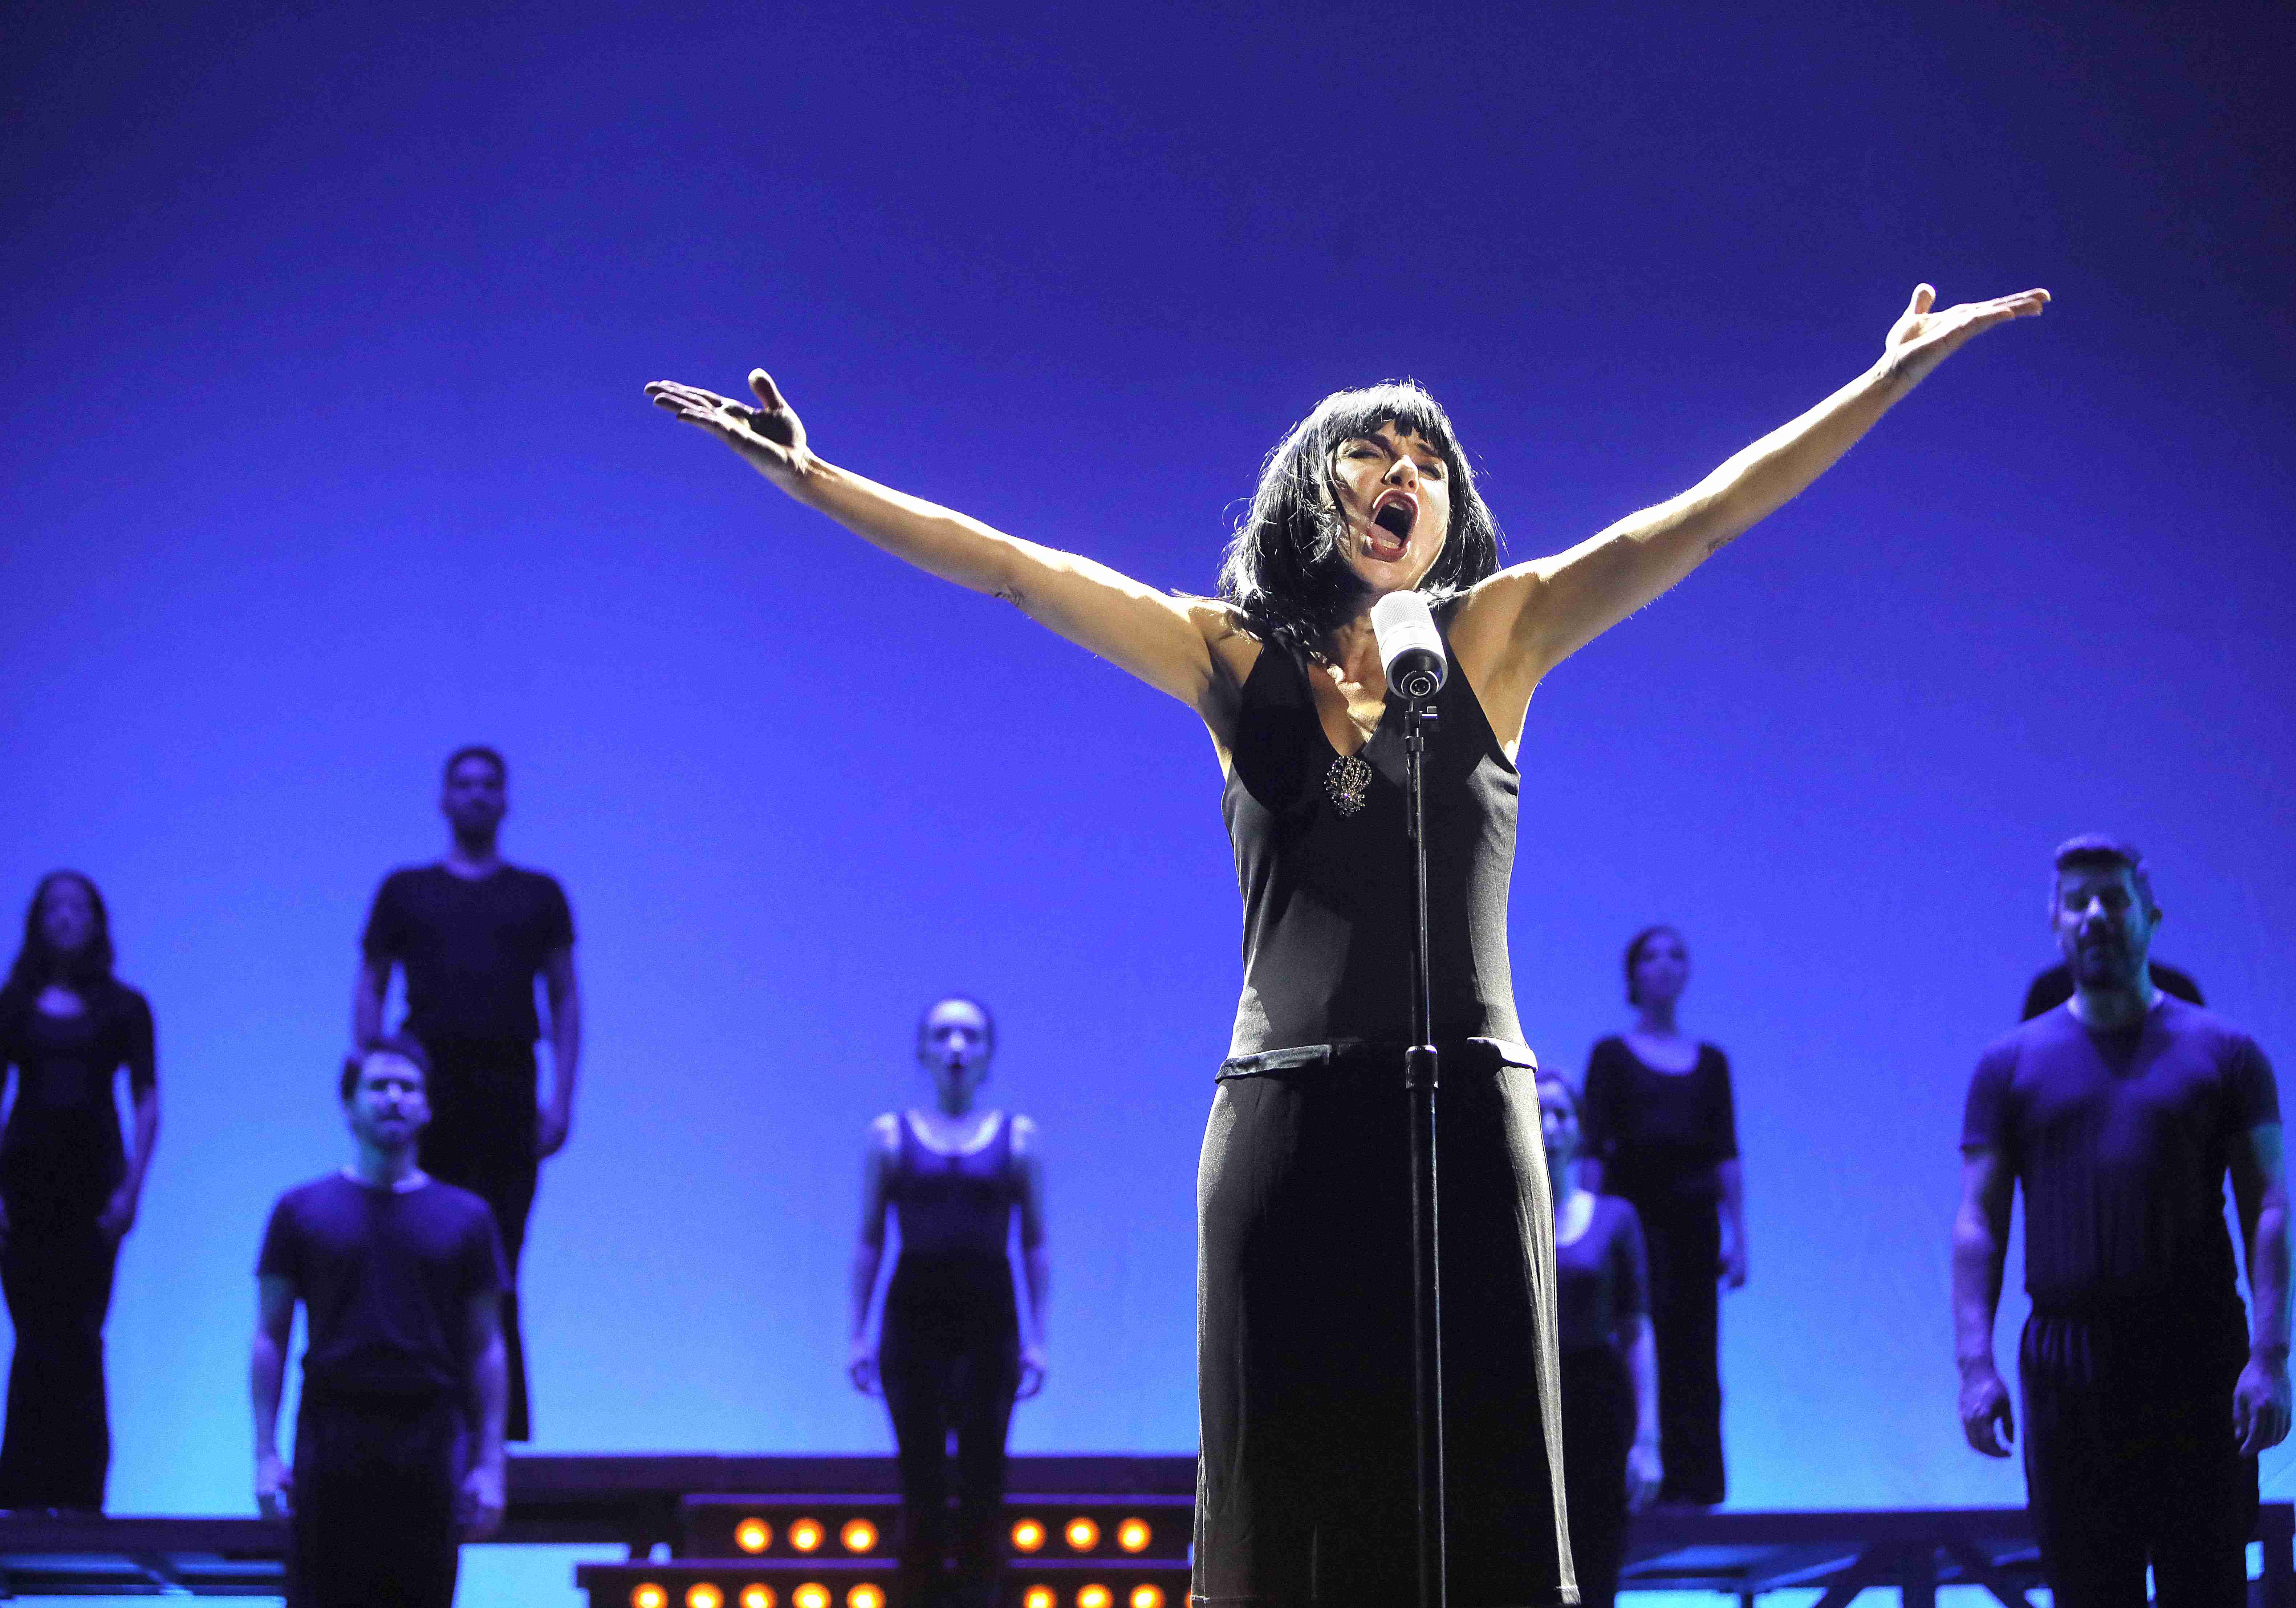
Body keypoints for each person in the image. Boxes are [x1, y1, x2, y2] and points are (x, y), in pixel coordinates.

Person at [647, 276, 2047, 1608]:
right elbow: (1020, 574)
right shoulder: (1228, 658)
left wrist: (1885, 378)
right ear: (1312, 493)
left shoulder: (1500, 635)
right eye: (1371, 453)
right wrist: (815, 480)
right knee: (1295, 1495)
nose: (1405, 473)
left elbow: (1705, 518)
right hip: (1285, 1119)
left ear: (1451, 507)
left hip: (1469, 1114)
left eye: (1428, 459)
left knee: (1478, 1496)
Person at [1952, 837, 2292, 1608]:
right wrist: (1974, 1364)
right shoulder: (2007, 1065)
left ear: (2149, 912)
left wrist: (2267, 1356)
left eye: (2112, 897)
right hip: (2067, 1357)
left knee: (2202, 1583)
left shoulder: (2226, 1053)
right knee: (2086, 1588)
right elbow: (1978, 1218)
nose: (2095, 915)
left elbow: (2265, 1204)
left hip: (2194, 1349)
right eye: (2078, 900)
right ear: (2053, 919)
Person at [354, 744, 578, 1441]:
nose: (477, 795)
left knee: (499, 1254)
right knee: (425, 1246)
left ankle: (496, 1427)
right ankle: (423, 1413)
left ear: (505, 801)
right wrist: (373, 1076)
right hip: (429, 1089)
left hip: (510, 1087)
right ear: (444, 798)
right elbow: (371, 984)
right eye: (464, 784)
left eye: (489, 785)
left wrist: (563, 1099)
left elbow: (566, 997)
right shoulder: (405, 891)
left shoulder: (537, 895)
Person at [252, 1035, 507, 1608]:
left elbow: (487, 1345)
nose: (393, 1097)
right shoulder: (301, 1211)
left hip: (429, 1436)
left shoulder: (466, 1217)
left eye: (408, 1086)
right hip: (333, 1431)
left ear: (428, 1106)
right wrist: (266, 1453)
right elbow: (270, 1334)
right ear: (350, 1104)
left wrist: (491, 1465)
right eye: (378, 1085)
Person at [848, 997, 1049, 1608]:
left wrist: (1038, 1339)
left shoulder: (1018, 1137)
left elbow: (1035, 1241)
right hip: (913, 1318)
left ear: (988, 1053)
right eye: (943, 1034)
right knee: (923, 1476)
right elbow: (869, 1239)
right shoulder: (889, 1136)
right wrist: (857, 1334)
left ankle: (982, 1599)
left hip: (990, 1317)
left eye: (970, 1035)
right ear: (924, 1052)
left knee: (985, 1472)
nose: (956, 1046)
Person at [0, 871, 158, 1512]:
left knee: (83, 1333)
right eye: (54, 907)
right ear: (39, 921)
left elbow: (147, 1102)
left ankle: (82, 1492)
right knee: (34, 1333)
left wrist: (132, 1192)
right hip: (23, 1189)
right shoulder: (10, 1007)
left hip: (94, 1190)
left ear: (98, 921)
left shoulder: (125, 1006)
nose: (66, 917)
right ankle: (19, 1492)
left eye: (79, 906)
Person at [1580, 925, 1742, 1506]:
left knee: (1696, 1347)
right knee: (1637, 1336)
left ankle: (1695, 1484)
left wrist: (1741, 1236)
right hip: (1633, 1226)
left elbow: (1727, 1152)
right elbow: (1593, 1149)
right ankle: (1629, 1472)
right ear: (1633, 974)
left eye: (1678, 954)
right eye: (1652, 955)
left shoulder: (1712, 1062)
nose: (1666, 965)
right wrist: (1585, 1230)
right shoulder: (1612, 1055)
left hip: (1696, 1227)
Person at [1537, 1070, 1658, 1608]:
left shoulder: (1614, 1217)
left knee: (1596, 1553)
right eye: (1538, 1112)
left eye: (1561, 1113)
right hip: (1527, 1400)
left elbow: (1636, 1327)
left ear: (1579, 1128)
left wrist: (1648, 1438)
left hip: (1595, 1399)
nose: (1549, 1126)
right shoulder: (1505, 1216)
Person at [2020, 957, 2200, 1021]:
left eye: (2115, 901)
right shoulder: (2048, 994)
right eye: (2081, 903)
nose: (2097, 915)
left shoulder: (2179, 993)